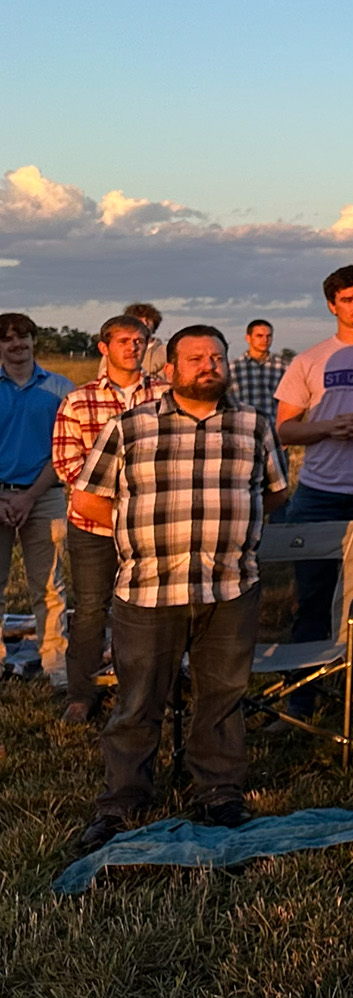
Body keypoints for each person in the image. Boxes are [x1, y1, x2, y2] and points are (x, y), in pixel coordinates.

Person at [72, 326, 291, 851]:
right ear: (169, 369)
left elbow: (276, 492)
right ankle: (124, 799)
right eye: (195, 358)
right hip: (149, 589)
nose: (208, 365)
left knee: (222, 696)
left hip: (230, 587)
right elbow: (88, 500)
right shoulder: (130, 427)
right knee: (139, 699)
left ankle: (217, 792)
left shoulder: (252, 425)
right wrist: (142, 539)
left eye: (217, 357)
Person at [275, 266, 353, 656]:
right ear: (332, 305)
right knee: (314, 593)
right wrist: (329, 428)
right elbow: (284, 430)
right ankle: (306, 687)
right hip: (320, 493)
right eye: (347, 299)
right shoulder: (310, 360)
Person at [49, 315, 168, 725]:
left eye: (140, 341)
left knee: (153, 608)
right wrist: (118, 496)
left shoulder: (166, 396)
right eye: (123, 341)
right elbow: (67, 465)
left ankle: (151, 687)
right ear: (104, 347)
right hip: (94, 524)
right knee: (90, 610)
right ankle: (82, 694)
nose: (133, 348)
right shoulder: (79, 401)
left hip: (153, 524)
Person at [0, 313, 74, 690]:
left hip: (44, 495)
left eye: (23, 337)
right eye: (8, 338)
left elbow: (64, 452)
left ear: (33, 341)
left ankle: (56, 664)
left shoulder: (60, 388)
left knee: (48, 585)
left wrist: (28, 496)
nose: (17, 344)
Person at [228, 319, 287, 414]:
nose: (265, 340)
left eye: (268, 336)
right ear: (248, 338)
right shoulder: (233, 368)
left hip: (272, 424)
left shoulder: (282, 368)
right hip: (242, 424)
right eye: (259, 336)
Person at [124, 302, 165, 377]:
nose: (145, 323)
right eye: (140, 319)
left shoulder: (166, 351)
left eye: (148, 319)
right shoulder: (116, 351)